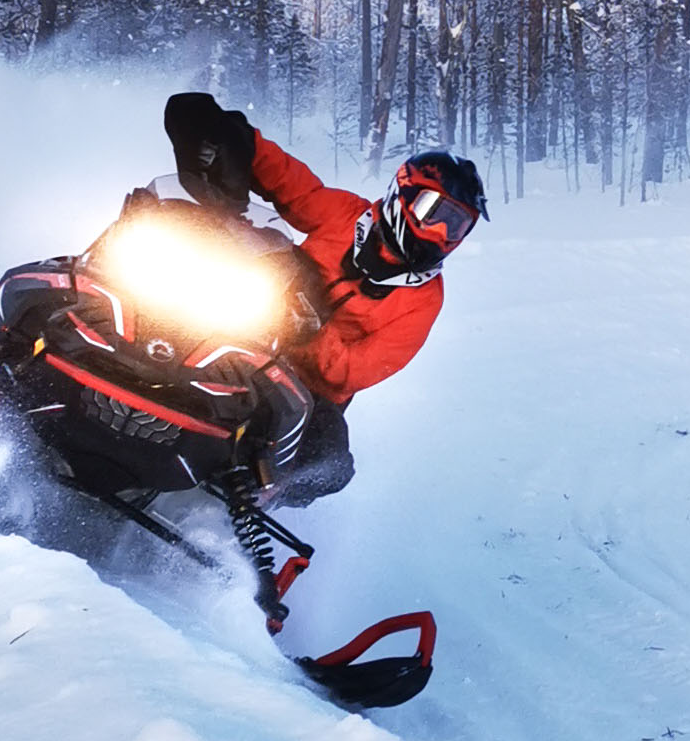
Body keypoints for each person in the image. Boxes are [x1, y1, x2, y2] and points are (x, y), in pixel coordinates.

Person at [161, 91, 487, 504]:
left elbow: (355, 372)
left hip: (302, 390)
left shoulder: (423, 300)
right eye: (433, 212)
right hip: (239, 326)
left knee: (329, 461)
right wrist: (236, 138)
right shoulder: (348, 215)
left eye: (456, 226)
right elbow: (293, 187)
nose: (440, 233)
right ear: (404, 191)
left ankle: (246, 506)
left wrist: (306, 326)